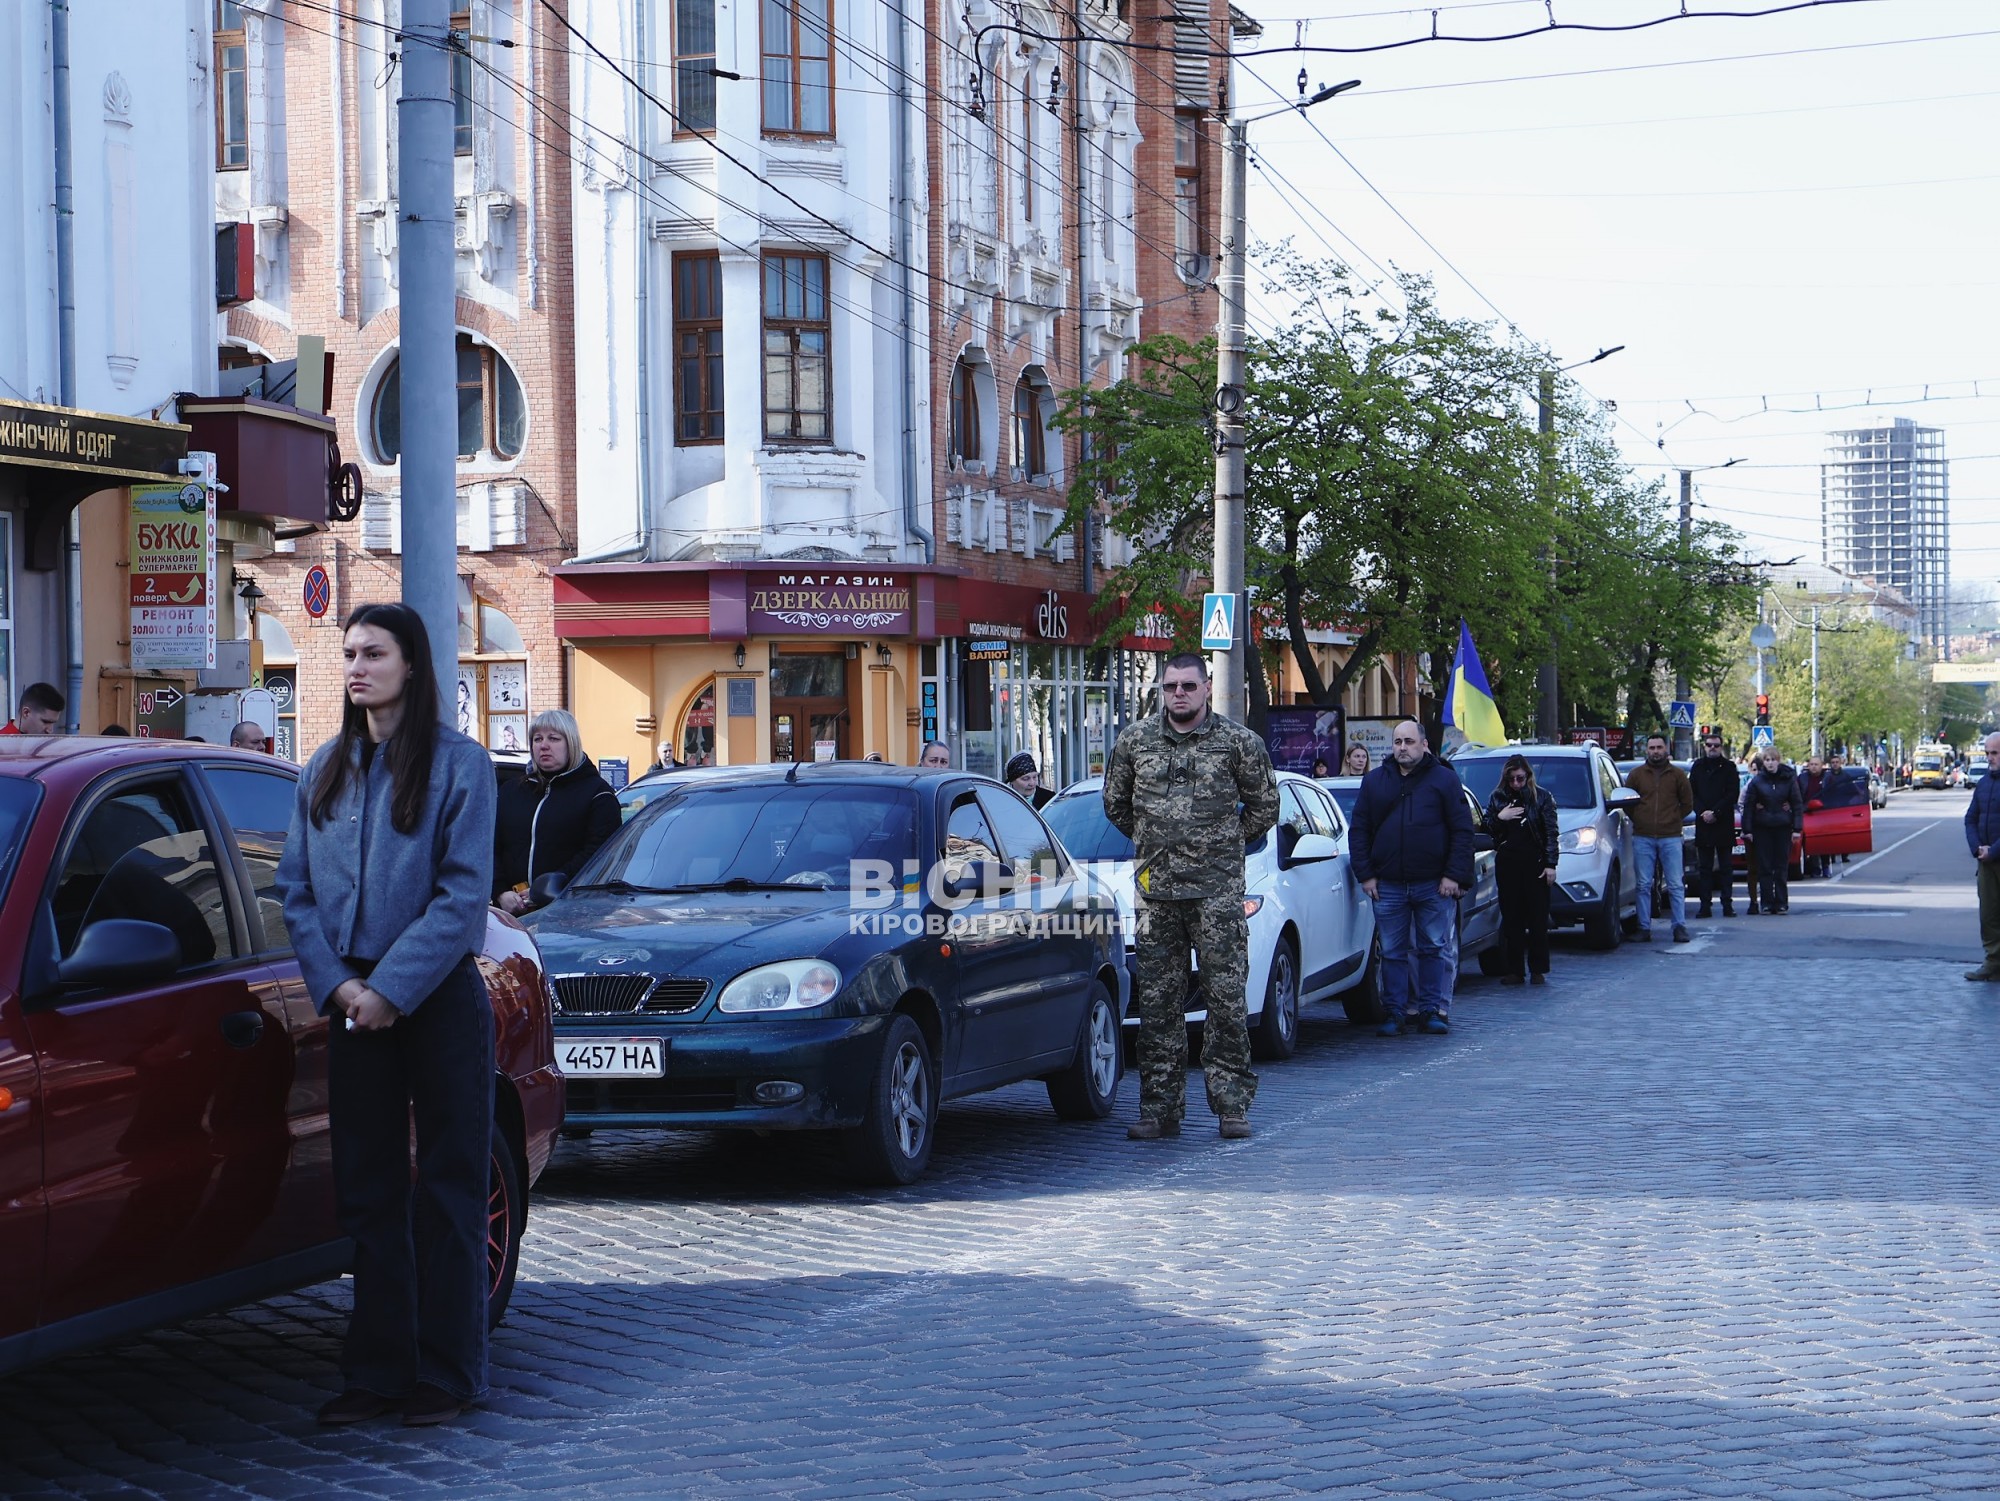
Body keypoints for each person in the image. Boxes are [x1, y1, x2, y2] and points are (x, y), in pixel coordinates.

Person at [275, 602, 498, 1428]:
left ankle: (448, 1370)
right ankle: (376, 1369)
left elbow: (462, 896)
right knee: (368, 1191)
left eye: (373, 653)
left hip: (436, 998)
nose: (356, 668)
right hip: (352, 1001)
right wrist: (339, 986)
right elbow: (295, 890)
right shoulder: (324, 769)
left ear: (411, 664)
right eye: (349, 654)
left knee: (448, 1186)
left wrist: (390, 990)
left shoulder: (460, 766)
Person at [1103, 652, 1278, 1141]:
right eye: (1170, 686)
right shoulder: (1135, 740)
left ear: (1205, 688)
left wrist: (1222, 843)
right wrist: (1154, 843)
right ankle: (1161, 1110)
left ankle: (1231, 1106)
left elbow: (1265, 806)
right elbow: (1115, 803)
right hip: (1156, 892)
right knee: (1158, 1004)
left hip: (1217, 893)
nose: (1178, 693)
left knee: (1226, 1001)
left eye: (1187, 685)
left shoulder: (1238, 743)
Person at [1349, 720, 1473, 1036]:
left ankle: (1431, 1011)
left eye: (1409, 741)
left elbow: (1462, 830)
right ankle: (1395, 1012)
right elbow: (1359, 830)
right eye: (1397, 742)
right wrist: (1366, 875)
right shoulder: (1375, 781)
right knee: (1392, 952)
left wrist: (1453, 875)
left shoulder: (1444, 779)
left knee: (1433, 948)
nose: (1402, 747)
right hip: (1387, 884)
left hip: (1434, 884)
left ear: (1424, 744)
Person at [492, 708, 620, 915]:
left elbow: (599, 854)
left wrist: (550, 888)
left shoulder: (598, 793)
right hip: (511, 912)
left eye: (553, 738)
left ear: (571, 743)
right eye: (537, 739)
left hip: (571, 912)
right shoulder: (511, 791)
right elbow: (490, 846)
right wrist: (500, 891)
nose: (544, 745)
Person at [1484, 753, 1558, 986]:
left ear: (1528, 776)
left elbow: (1551, 832)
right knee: (1511, 918)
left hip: (1535, 862)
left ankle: (1538, 969)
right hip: (1508, 863)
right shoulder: (1497, 797)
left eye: (1520, 778)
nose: (1516, 783)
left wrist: (1550, 864)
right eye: (1512, 779)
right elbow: (1486, 828)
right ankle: (1515, 970)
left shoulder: (1542, 797)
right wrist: (1500, 817)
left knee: (1537, 919)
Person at [1624, 734, 1694, 943]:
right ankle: (1644, 927)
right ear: (1647, 750)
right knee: (1643, 884)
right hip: (1643, 836)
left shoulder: (1678, 775)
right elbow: (1627, 803)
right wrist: (1640, 819)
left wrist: (1672, 819)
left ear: (1666, 749)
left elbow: (1687, 804)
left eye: (1659, 747)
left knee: (1675, 884)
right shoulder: (1636, 775)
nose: (1655, 751)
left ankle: (1679, 927)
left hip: (1670, 837)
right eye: (1652, 748)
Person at [1740, 745, 1804, 915]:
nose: (1770, 763)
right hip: (1763, 828)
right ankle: (1767, 903)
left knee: (1781, 866)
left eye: (1773, 760)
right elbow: (1748, 806)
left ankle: (1781, 902)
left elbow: (1797, 804)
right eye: (1767, 760)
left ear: (1778, 761)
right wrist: (1748, 829)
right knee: (1765, 867)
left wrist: (1797, 828)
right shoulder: (1757, 782)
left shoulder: (1788, 779)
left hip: (1783, 827)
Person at [1689, 732, 1740, 918]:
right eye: (1709, 745)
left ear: (1721, 747)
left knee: (1726, 867)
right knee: (1704, 868)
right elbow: (1691, 793)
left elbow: (1732, 794)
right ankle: (1705, 906)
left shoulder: (1729, 767)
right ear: (1704, 747)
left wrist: (1716, 812)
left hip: (1723, 822)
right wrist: (1703, 812)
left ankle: (1727, 905)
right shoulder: (1698, 766)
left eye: (1716, 745)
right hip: (1704, 823)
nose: (1712, 748)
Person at [1963, 731, 2000, 981]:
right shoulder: (1984, 783)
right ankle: (1993, 963)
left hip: (1995, 854)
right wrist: (1977, 848)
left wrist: (1993, 850)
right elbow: (1970, 819)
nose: (1989, 758)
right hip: (1986, 862)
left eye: (1994, 753)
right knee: (1989, 915)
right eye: (1987, 753)